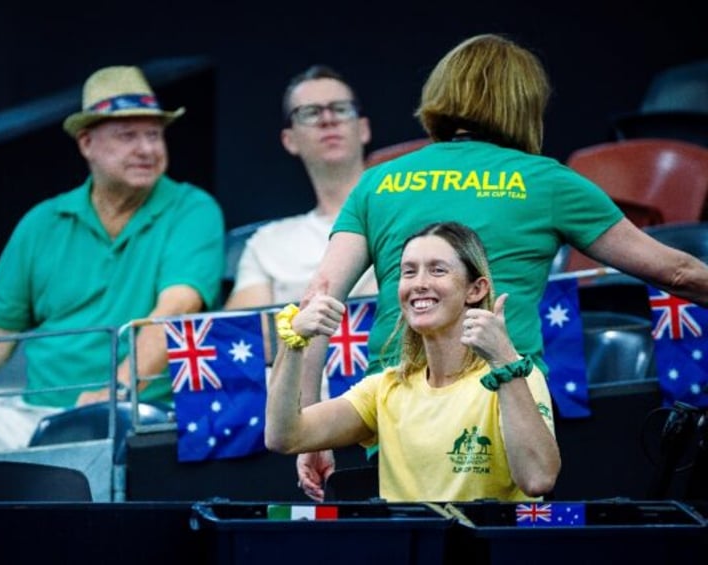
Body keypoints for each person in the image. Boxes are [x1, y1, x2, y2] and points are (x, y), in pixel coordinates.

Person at [293, 33, 708, 501]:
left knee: (417, 535)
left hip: (400, 400)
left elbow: (319, 299)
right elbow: (675, 273)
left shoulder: (378, 182)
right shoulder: (546, 181)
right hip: (501, 397)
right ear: (524, 104)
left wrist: (313, 420)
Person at [0, 65, 225, 467]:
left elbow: (175, 311)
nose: (147, 149)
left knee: (105, 439)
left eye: (154, 134)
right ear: (87, 143)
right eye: (128, 136)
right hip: (33, 415)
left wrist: (116, 389)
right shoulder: (43, 221)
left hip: (143, 414)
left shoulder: (191, 209)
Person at [266, 221, 560, 501]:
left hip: (490, 551)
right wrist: (293, 340)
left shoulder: (515, 374)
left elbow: (538, 480)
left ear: (476, 289)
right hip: (411, 552)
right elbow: (285, 436)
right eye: (408, 272)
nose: (419, 283)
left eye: (437, 270)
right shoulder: (386, 387)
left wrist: (505, 363)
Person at [224, 64, 377, 310]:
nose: (328, 120)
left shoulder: (409, 213)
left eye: (340, 109)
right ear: (290, 140)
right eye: (310, 113)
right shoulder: (267, 243)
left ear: (363, 129)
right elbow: (241, 332)